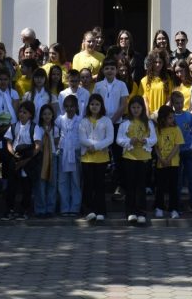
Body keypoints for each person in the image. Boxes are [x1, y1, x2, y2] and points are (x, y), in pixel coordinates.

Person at [117, 96, 157, 225]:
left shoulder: (149, 123)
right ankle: (130, 212)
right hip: (129, 157)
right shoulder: (125, 123)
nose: (135, 110)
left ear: (142, 108)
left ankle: (141, 212)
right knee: (130, 186)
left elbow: (154, 139)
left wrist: (146, 141)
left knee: (141, 186)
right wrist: (129, 141)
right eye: (133, 107)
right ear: (130, 108)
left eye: (138, 107)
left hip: (144, 158)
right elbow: (119, 139)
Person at [79, 93, 114, 223]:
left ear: (101, 106)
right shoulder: (84, 120)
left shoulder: (107, 120)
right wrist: (96, 146)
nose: (94, 106)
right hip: (87, 159)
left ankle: (101, 211)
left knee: (100, 186)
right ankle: (89, 211)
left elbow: (110, 138)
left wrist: (96, 146)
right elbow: (82, 138)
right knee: (88, 185)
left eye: (97, 104)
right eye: (92, 104)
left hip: (101, 159)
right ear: (88, 106)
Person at [153, 104, 184, 219]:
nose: (172, 119)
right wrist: (161, 159)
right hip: (161, 163)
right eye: (170, 117)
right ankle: (159, 207)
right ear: (163, 118)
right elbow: (155, 146)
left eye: (173, 117)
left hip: (174, 163)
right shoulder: (157, 130)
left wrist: (169, 158)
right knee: (160, 186)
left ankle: (174, 209)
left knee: (173, 186)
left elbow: (177, 146)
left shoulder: (176, 129)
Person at [55, 95, 82, 217]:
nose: (69, 109)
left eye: (72, 106)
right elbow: (55, 134)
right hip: (63, 151)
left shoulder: (81, 119)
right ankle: (64, 207)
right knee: (63, 180)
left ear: (76, 107)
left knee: (76, 180)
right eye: (67, 106)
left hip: (76, 152)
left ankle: (75, 207)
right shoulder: (59, 119)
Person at [32, 103, 59, 218]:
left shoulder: (55, 128)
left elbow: (57, 143)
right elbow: (37, 143)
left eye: (49, 114)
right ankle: (40, 209)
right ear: (41, 116)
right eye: (44, 114)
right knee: (40, 183)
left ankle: (50, 209)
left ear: (53, 115)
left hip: (52, 156)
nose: (47, 116)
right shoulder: (38, 128)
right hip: (41, 156)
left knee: (52, 183)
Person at [140, 49, 174, 118]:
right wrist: (148, 116)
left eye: (160, 62)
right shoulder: (144, 80)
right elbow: (144, 100)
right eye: (155, 62)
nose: (158, 64)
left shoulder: (168, 80)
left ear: (163, 64)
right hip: (148, 116)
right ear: (151, 63)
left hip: (163, 116)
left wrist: (163, 114)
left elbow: (169, 99)